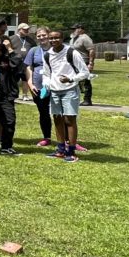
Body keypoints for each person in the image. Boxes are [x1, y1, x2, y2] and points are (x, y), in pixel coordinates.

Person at [42, 29, 89, 163]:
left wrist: (70, 79)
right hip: (55, 91)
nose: (53, 41)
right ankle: (60, 149)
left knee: (69, 120)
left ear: (62, 39)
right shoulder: (47, 55)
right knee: (57, 119)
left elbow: (85, 72)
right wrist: (46, 84)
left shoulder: (71, 52)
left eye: (56, 38)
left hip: (69, 90)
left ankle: (71, 151)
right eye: (51, 38)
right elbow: (46, 73)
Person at [23, 26, 53, 146]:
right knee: (43, 112)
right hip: (38, 87)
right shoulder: (34, 50)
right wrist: (30, 83)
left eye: (44, 35)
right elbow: (28, 67)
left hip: (55, 86)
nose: (41, 37)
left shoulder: (55, 49)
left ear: (49, 35)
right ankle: (47, 137)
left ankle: (66, 139)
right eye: (39, 36)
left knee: (60, 113)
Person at [70, 23, 96, 106]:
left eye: (75, 29)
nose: (74, 31)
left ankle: (87, 100)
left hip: (84, 62)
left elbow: (91, 50)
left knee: (85, 81)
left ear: (81, 29)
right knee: (75, 80)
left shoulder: (85, 38)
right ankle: (75, 97)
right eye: (73, 29)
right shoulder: (73, 38)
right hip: (74, 62)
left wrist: (91, 63)